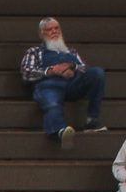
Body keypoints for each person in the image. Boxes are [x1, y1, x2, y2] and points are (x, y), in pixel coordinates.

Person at [21, 17, 106, 146]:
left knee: (97, 73)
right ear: (41, 34)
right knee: (52, 102)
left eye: (57, 28)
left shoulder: (71, 51)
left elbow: (84, 68)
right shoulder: (34, 52)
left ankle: (92, 120)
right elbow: (27, 73)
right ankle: (59, 131)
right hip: (49, 85)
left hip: (72, 84)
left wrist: (72, 67)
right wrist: (52, 71)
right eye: (49, 29)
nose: (54, 31)